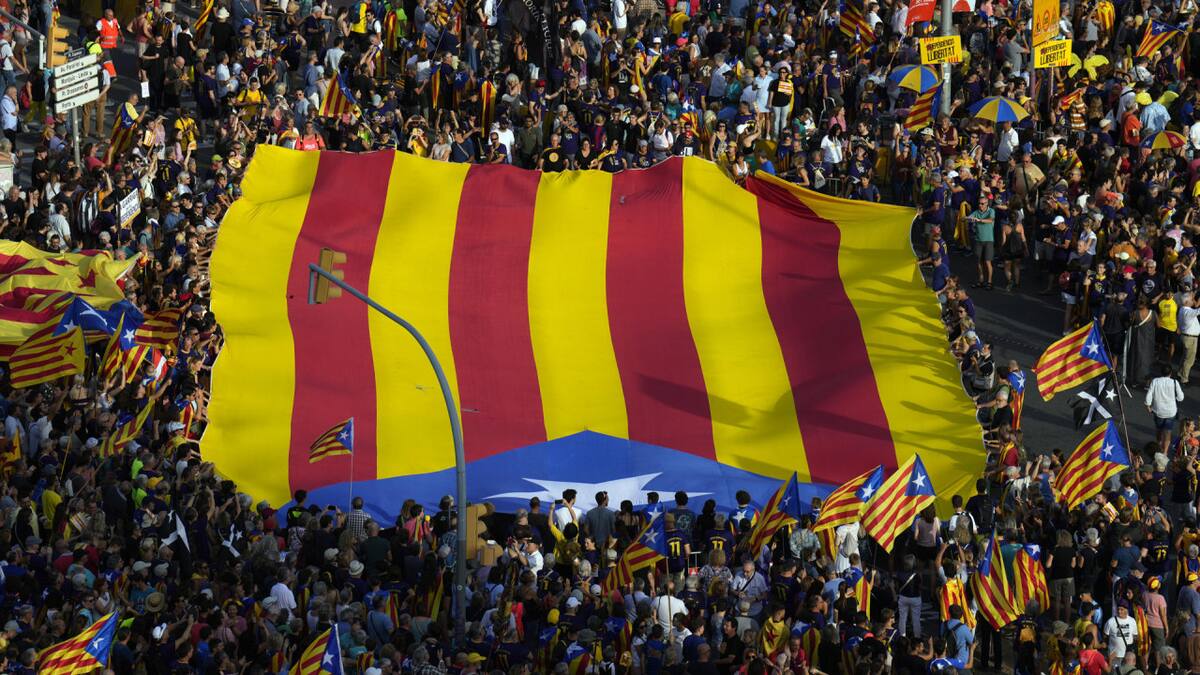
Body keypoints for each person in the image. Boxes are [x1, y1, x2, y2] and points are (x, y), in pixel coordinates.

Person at [1147, 363, 1185, 454]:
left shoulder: (1155, 381)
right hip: (1171, 412)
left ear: (1161, 372)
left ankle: (1158, 446)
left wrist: (1148, 406)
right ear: (1171, 373)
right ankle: (1165, 452)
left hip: (1158, 411)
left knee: (1159, 430)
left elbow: (1149, 394)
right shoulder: (1175, 382)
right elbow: (1181, 398)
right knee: (1168, 432)